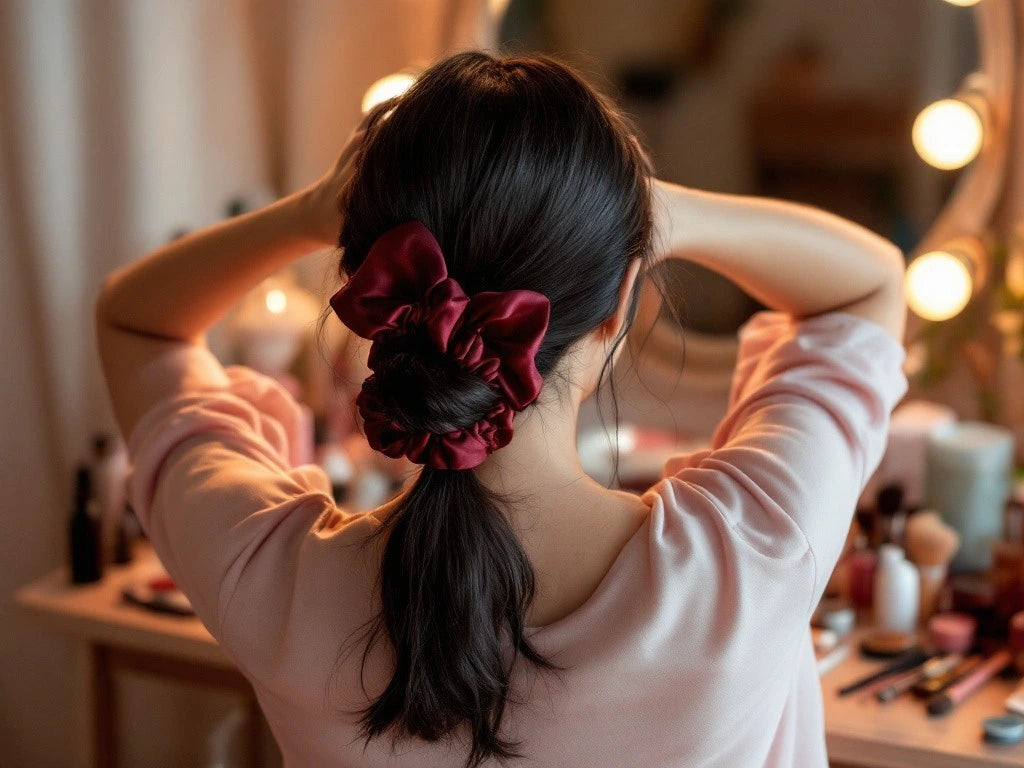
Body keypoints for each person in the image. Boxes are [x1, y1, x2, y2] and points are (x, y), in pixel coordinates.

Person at [96, 51, 906, 768]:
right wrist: (657, 209)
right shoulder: (750, 556)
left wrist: (309, 211)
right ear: (619, 303)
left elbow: (135, 323)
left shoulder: (271, 582)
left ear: (377, 294)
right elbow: (866, 287)